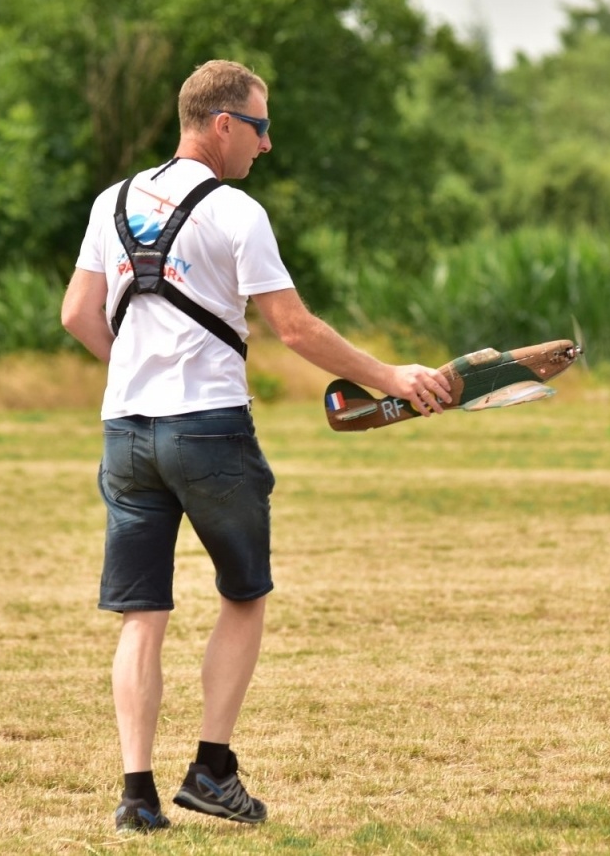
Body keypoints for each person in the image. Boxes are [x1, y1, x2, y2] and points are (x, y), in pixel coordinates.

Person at [60, 59, 453, 833]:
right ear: (223, 125)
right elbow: (295, 327)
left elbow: (78, 313)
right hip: (207, 427)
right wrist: (392, 377)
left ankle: (136, 796)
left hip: (126, 432)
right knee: (244, 593)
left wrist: (138, 369)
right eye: (262, 128)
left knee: (142, 613)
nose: (267, 147)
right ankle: (212, 768)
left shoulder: (113, 201)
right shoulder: (235, 212)